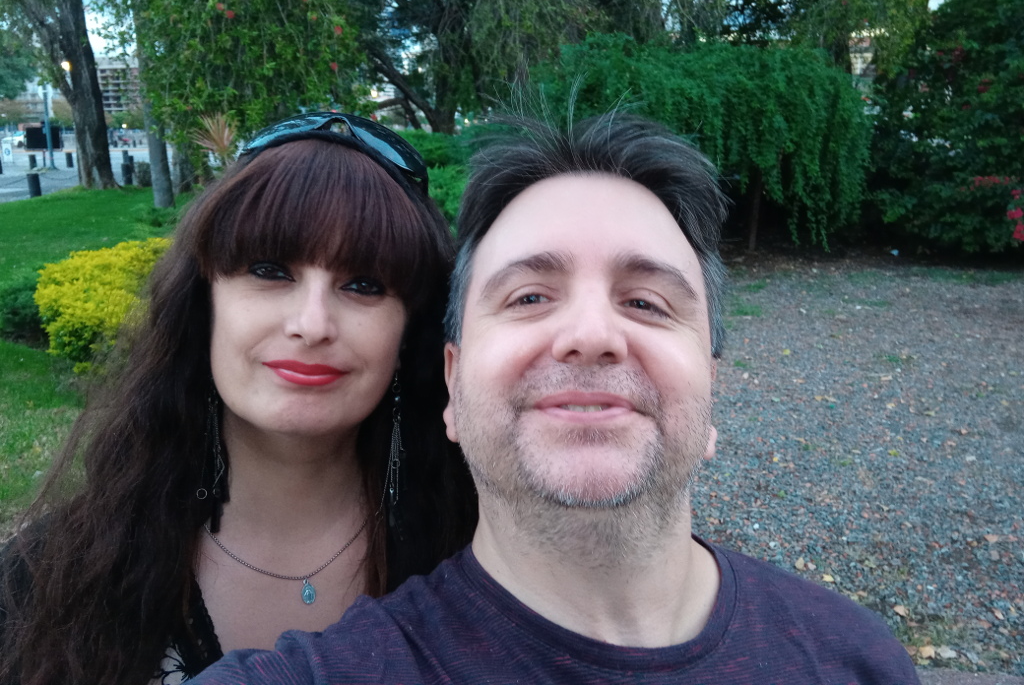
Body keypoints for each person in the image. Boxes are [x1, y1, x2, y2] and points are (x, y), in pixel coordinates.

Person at [192, 111, 919, 684]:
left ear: (710, 388)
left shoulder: (858, 661)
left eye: (646, 302)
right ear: (452, 383)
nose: (591, 335)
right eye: (530, 296)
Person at [0, 112, 476, 685]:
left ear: (410, 335)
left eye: (363, 284)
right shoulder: (44, 585)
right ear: (204, 307)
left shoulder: (485, 557)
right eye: (270, 271)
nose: (312, 324)